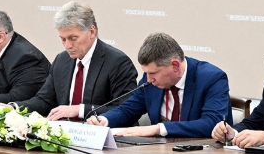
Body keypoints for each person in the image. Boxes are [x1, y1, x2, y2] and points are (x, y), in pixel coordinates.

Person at [89, 32, 229, 138]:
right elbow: (129, 109)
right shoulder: (150, 79)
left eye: (154, 73)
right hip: (158, 152)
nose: (149, 80)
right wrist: (104, 120)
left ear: (174, 65)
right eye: (147, 73)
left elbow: (212, 123)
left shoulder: (212, 78)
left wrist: (158, 128)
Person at [15, 2, 139, 120]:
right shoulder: (61, 60)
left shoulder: (117, 62)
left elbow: (125, 109)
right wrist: (13, 108)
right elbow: (44, 100)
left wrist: (79, 110)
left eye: (73, 38)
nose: (67, 45)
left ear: (92, 31)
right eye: (63, 39)